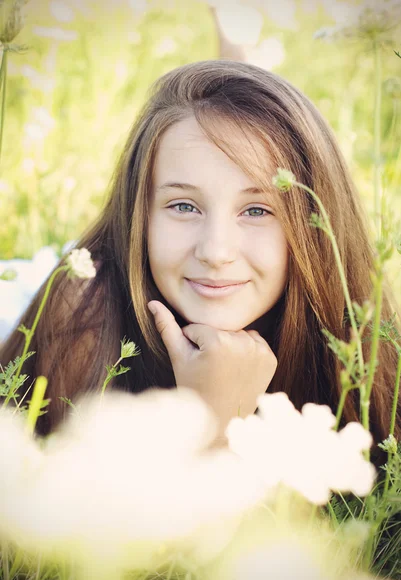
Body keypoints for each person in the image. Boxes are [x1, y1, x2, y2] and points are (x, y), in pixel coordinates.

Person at [1, 60, 400, 456]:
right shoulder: (85, 314)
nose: (215, 252)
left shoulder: (357, 339)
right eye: (184, 206)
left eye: (257, 210)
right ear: (140, 213)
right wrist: (212, 424)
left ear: (316, 227)